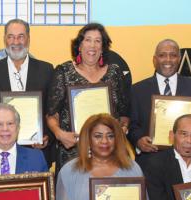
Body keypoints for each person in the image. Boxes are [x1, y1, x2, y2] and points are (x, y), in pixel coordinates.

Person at [57, 114, 151, 200]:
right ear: (88, 139)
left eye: (110, 136)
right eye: (98, 136)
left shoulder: (132, 168)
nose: (104, 141)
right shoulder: (69, 171)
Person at [47, 23, 130, 171]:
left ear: (103, 48)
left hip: (109, 150)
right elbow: (52, 113)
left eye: (98, 41)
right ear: (79, 46)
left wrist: (122, 129)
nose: (92, 45)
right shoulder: (64, 71)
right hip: (73, 152)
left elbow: (124, 113)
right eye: (88, 40)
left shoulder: (114, 73)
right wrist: (60, 135)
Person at [0, 18, 55, 166]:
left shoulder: (46, 70)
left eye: (21, 36)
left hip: (36, 152)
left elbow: (52, 109)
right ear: (5, 39)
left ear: (28, 39)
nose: (16, 42)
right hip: (0, 151)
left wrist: (46, 135)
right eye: (11, 36)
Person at [128, 39, 191, 163]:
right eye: (162, 55)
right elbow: (132, 124)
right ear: (154, 59)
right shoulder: (137, 90)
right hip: (150, 160)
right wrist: (138, 140)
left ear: (179, 59)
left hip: (186, 161)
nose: (168, 60)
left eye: (173, 55)